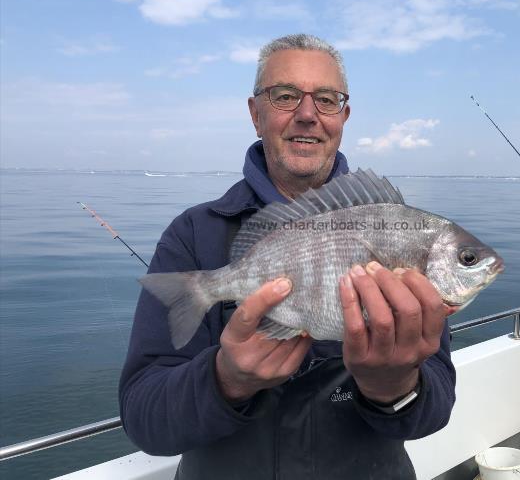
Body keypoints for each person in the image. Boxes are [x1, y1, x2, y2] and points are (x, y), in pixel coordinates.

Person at [119, 34, 456, 479]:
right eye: (285, 96)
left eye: (327, 99)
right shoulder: (194, 234)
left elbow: (432, 413)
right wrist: (225, 380)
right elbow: (145, 421)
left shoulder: (402, 234)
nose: (307, 115)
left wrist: (393, 385)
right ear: (255, 114)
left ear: (343, 116)